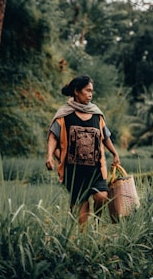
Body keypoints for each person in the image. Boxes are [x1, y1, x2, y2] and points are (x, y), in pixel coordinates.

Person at [46, 75, 120, 227]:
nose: (90, 94)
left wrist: (115, 153)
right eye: (87, 91)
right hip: (74, 171)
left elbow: (105, 137)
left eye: (92, 91)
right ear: (76, 91)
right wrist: (49, 156)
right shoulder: (64, 115)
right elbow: (53, 137)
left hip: (96, 169)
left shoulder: (96, 114)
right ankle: (84, 239)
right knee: (82, 210)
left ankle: (98, 224)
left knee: (101, 197)